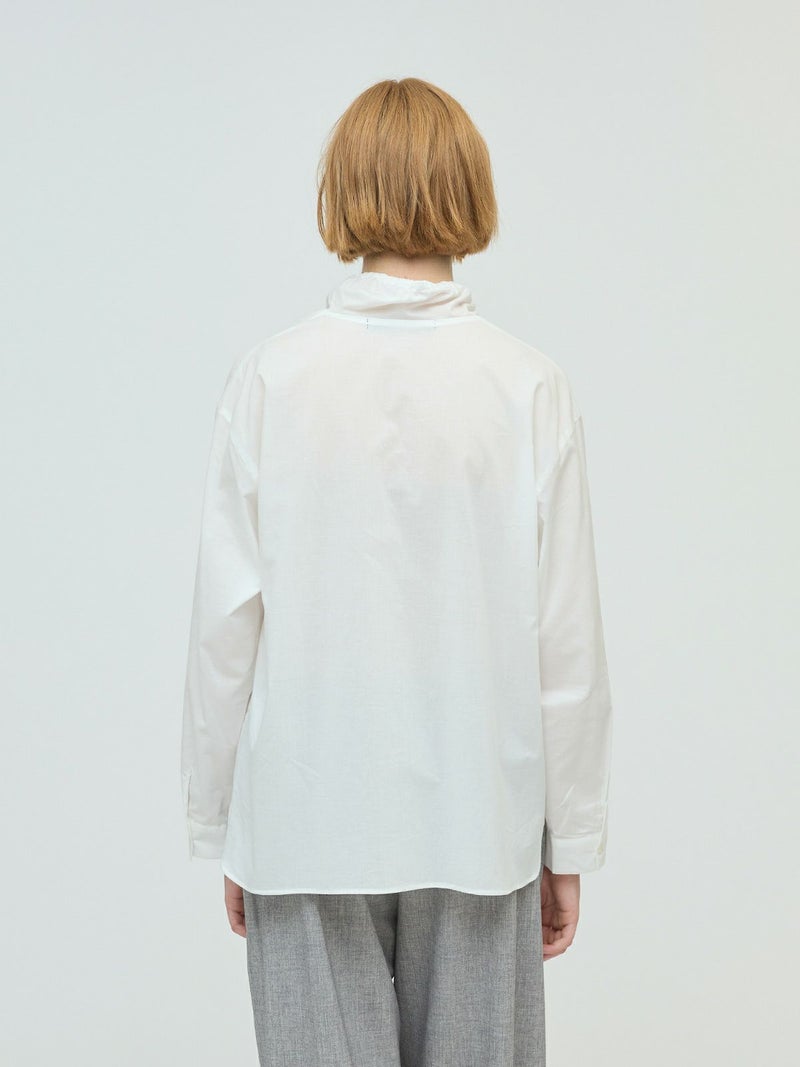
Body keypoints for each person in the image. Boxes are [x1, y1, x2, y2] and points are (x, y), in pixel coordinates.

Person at [180, 76, 613, 1067]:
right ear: (470, 187)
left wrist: (224, 819)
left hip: (304, 811)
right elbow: (567, 643)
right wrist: (571, 837)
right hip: (481, 815)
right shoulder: (526, 386)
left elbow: (223, 628)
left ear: (342, 188)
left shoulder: (272, 377)